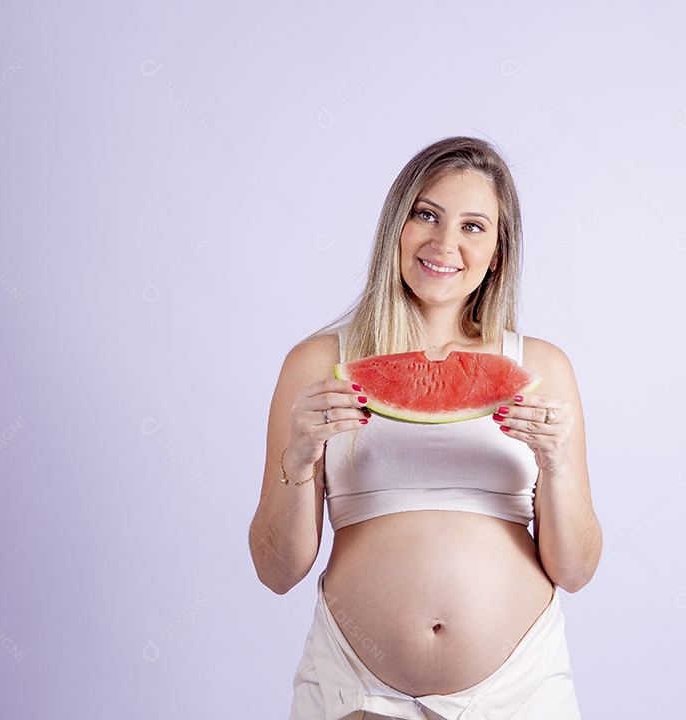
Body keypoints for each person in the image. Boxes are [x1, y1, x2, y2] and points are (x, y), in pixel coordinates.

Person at [248, 136, 601, 720]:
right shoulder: (317, 365)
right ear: (397, 226)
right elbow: (275, 571)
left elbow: (577, 571)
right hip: (354, 691)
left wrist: (558, 464)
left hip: (519, 691)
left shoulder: (540, 368)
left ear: (498, 252)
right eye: (427, 215)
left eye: (473, 226)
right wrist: (300, 455)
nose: (444, 243)